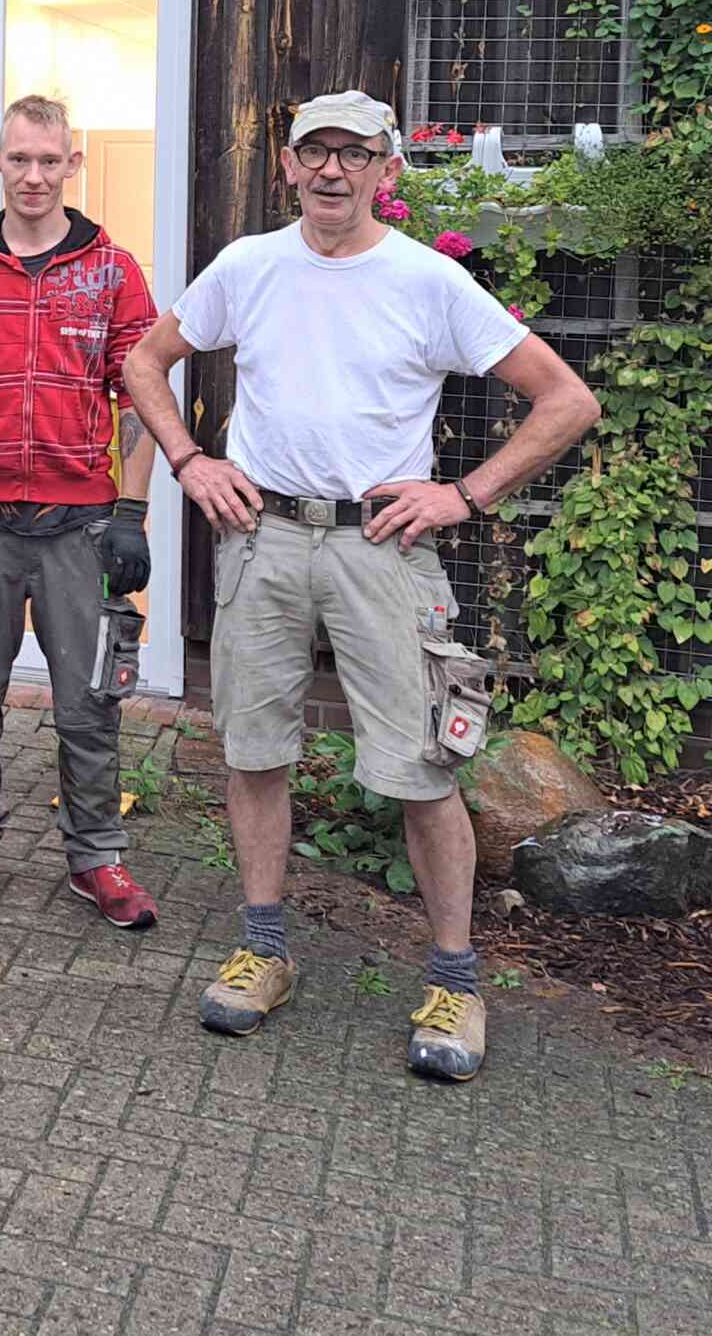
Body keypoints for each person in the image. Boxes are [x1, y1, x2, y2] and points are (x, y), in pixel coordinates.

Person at [122, 89, 599, 1082]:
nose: (332, 169)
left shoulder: (427, 282)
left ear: (387, 169)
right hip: (260, 539)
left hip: (381, 547)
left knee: (421, 768)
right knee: (253, 751)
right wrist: (187, 460)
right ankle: (263, 948)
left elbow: (566, 398)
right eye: (314, 151)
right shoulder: (247, 268)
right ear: (286, 166)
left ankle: (454, 982)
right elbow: (143, 362)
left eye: (355, 153)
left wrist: (463, 494)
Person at [0, 95, 162, 928]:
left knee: (88, 704)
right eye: (19, 159)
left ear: (72, 166)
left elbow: (141, 396)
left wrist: (132, 511)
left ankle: (97, 858)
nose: (34, 176)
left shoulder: (114, 271)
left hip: (79, 528)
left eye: (50, 161)